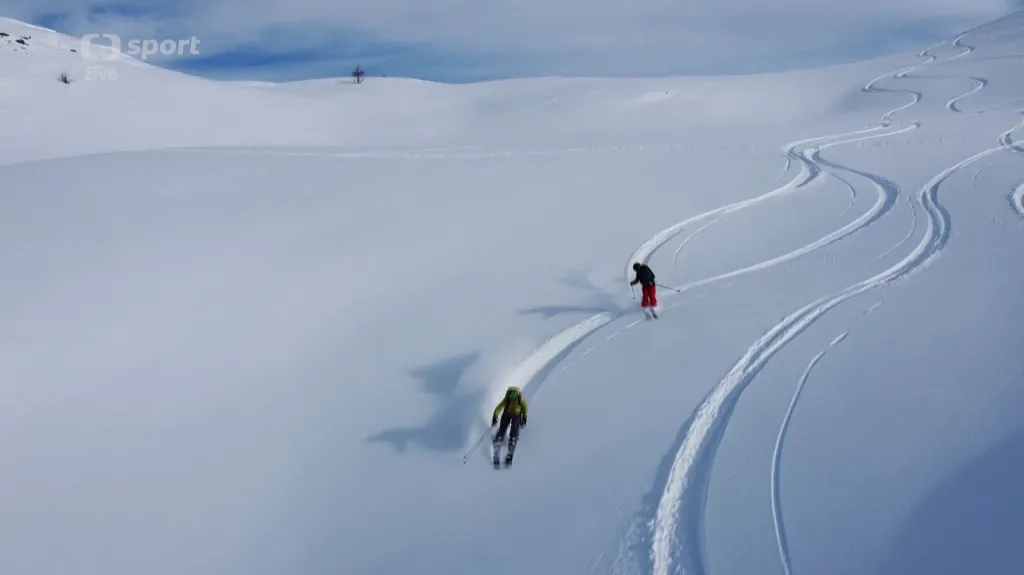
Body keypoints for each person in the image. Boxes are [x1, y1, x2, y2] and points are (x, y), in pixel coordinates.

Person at [492, 386, 528, 457]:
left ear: (517, 395)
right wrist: (495, 416)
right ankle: (500, 436)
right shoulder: (507, 399)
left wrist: (524, 418)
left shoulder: (521, 399)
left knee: (514, 427)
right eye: (511, 396)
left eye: (513, 396)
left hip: (517, 415)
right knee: (503, 425)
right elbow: (500, 407)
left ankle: (512, 439)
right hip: (507, 413)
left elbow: (525, 408)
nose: (512, 398)